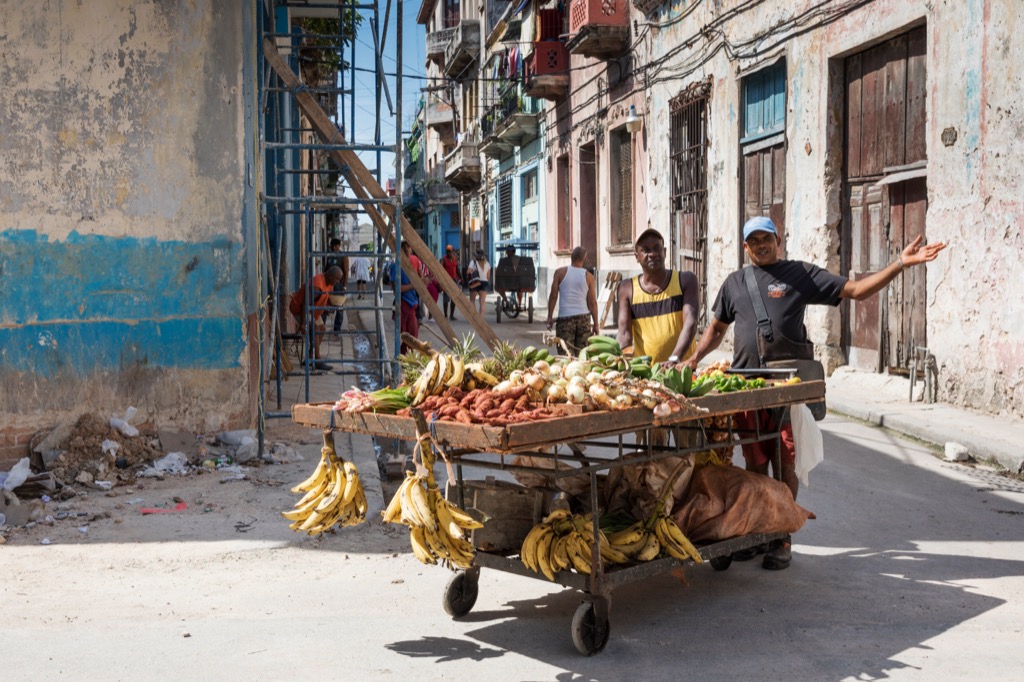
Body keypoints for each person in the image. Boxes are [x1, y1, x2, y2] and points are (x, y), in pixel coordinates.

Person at [686, 215, 947, 570]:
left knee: (786, 460)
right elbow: (716, 328)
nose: (762, 245)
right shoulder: (734, 283)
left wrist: (900, 263)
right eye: (754, 241)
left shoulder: (800, 274)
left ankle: (781, 535)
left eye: (767, 238)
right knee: (755, 461)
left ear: (779, 240)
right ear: (745, 247)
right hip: (745, 385)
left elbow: (856, 291)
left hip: (786, 387)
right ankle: (759, 527)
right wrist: (693, 358)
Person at [616, 228, 700, 364]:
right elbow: (624, 333)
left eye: (657, 248)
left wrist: (674, 359)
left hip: (682, 371)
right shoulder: (627, 289)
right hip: (646, 375)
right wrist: (621, 361)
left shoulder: (685, 281)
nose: (653, 254)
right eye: (646, 250)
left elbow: (691, 322)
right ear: (637, 256)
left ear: (665, 252)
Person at [289, 266, 344, 371]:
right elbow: (305, 304)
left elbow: (326, 298)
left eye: (339, 279)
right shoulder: (317, 285)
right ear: (329, 275)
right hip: (300, 309)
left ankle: (310, 357)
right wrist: (303, 324)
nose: (337, 282)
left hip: (313, 311)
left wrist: (333, 306)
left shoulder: (329, 284)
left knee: (321, 329)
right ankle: (317, 360)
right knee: (315, 329)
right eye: (336, 278)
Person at [546, 246, 599, 353]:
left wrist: (550, 317)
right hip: (583, 319)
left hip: (565, 319)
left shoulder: (559, 273)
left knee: (565, 355)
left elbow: (553, 296)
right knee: (582, 354)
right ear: (585, 259)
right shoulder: (589, 277)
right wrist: (596, 324)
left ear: (571, 257)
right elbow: (592, 303)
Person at [389, 242, 420, 354]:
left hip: (411, 303)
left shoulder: (410, 264)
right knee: (408, 336)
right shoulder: (396, 266)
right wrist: (413, 285)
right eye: (407, 247)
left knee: (411, 335)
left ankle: (403, 358)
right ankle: (402, 358)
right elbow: (397, 288)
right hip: (404, 303)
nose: (410, 250)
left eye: (410, 247)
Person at [324, 239, 349, 334]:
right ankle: (321, 327)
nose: (331, 248)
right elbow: (326, 269)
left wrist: (344, 286)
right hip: (329, 284)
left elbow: (346, 272)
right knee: (325, 304)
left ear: (335, 246)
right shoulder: (330, 255)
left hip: (339, 285)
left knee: (339, 308)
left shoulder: (343, 256)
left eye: (331, 246)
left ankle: (337, 330)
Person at [440, 245, 462, 320]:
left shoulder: (455, 259)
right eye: (447, 251)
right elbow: (440, 269)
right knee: (446, 298)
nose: (448, 253)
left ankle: (451, 315)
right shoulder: (443, 259)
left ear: (453, 251)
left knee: (454, 298)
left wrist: (461, 278)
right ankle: (445, 315)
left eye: (450, 251)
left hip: (454, 280)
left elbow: (457, 269)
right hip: (446, 280)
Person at [466, 249, 491, 316]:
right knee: (482, 301)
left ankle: (475, 317)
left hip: (475, 282)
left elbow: (468, 272)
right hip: (484, 283)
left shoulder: (473, 262)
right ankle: (481, 318)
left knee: (472, 300)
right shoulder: (487, 264)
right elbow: (488, 277)